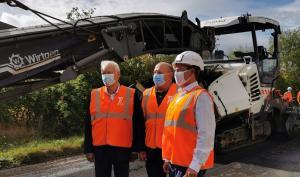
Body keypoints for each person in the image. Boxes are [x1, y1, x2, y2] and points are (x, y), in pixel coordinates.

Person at [84, 60, 145, 177]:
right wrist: (88, 149)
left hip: (122, 148)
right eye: (103, 72)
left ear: (118, 74)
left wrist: (137, 148)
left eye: (109, 72)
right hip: (100, 148)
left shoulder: (131, 94)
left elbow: (138, 124)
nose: (105, 75)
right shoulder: (94, 94)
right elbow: (88, 124)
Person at [162, 51, 216, 177]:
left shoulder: (201, 96)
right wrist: (168, 158)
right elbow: (173, 131)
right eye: (175, 69)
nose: (176, 73)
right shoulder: (178, 96)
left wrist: (195, 166)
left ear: (192, 72)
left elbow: (206, 135)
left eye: (180, 69)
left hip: (189, 166)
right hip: (175, 163)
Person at [141, 62, 178, 177]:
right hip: (152, 150)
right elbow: (141, 123)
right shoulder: (146, 94)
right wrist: (141, 148)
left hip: (174, 148)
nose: (156, 75)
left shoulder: (180, 92)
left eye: (160, 72)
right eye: (155, 72)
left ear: (170, 74)